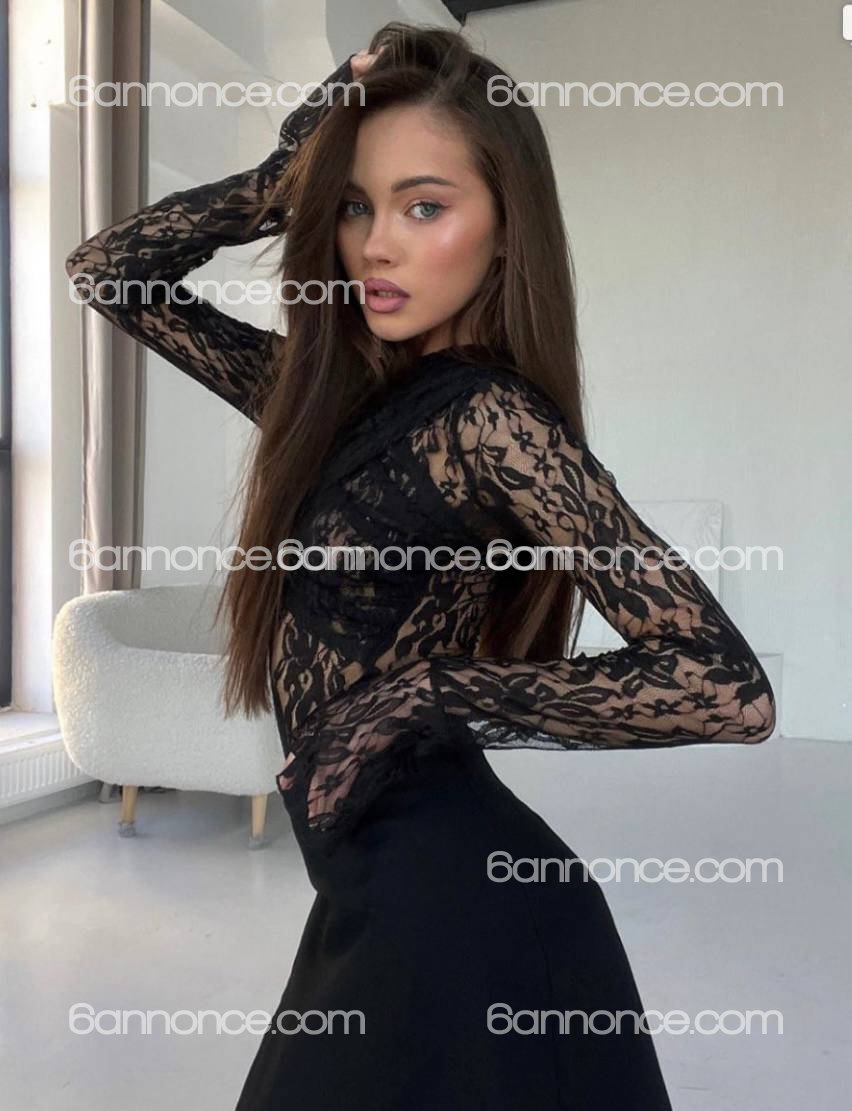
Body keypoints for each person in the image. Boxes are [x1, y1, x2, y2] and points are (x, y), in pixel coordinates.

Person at [65, 21, 775, 1110]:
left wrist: (427, 692)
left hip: (452, 904)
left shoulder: (490, 420)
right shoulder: (323, 403)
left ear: (506, 231)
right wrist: (280, 177)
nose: (375, 245)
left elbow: (726, 688)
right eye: (355, 206)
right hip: (372, 881)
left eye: (424, 207)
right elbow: (108, 271)